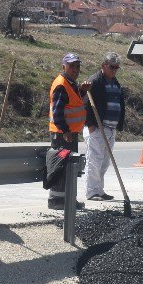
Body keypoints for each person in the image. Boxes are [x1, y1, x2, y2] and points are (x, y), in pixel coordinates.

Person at [83, 51, 126, 201]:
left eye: (116, 68)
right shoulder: (94, 81)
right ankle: (91, 191)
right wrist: (90, 125)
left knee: (105, 162)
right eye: (112, 67)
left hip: (110, 128)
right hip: (97, 128)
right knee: (94, 160)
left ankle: (99, 190)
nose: (114, 70)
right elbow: (86, 104)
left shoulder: (115, 83)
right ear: (104, 66)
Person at [48, 53, 88, 209]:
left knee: (70, 167)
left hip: (69, 133)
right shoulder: (61, 85)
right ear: (63, 66)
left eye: (77, 66)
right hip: (62, 134)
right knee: (61, 167)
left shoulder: (70, 84)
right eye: (72, 66)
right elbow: (57, 112)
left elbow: (73, 104)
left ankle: (68, 199)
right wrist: (65, 131)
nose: (75, 69)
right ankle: (57, 200)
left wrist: (82, 91)